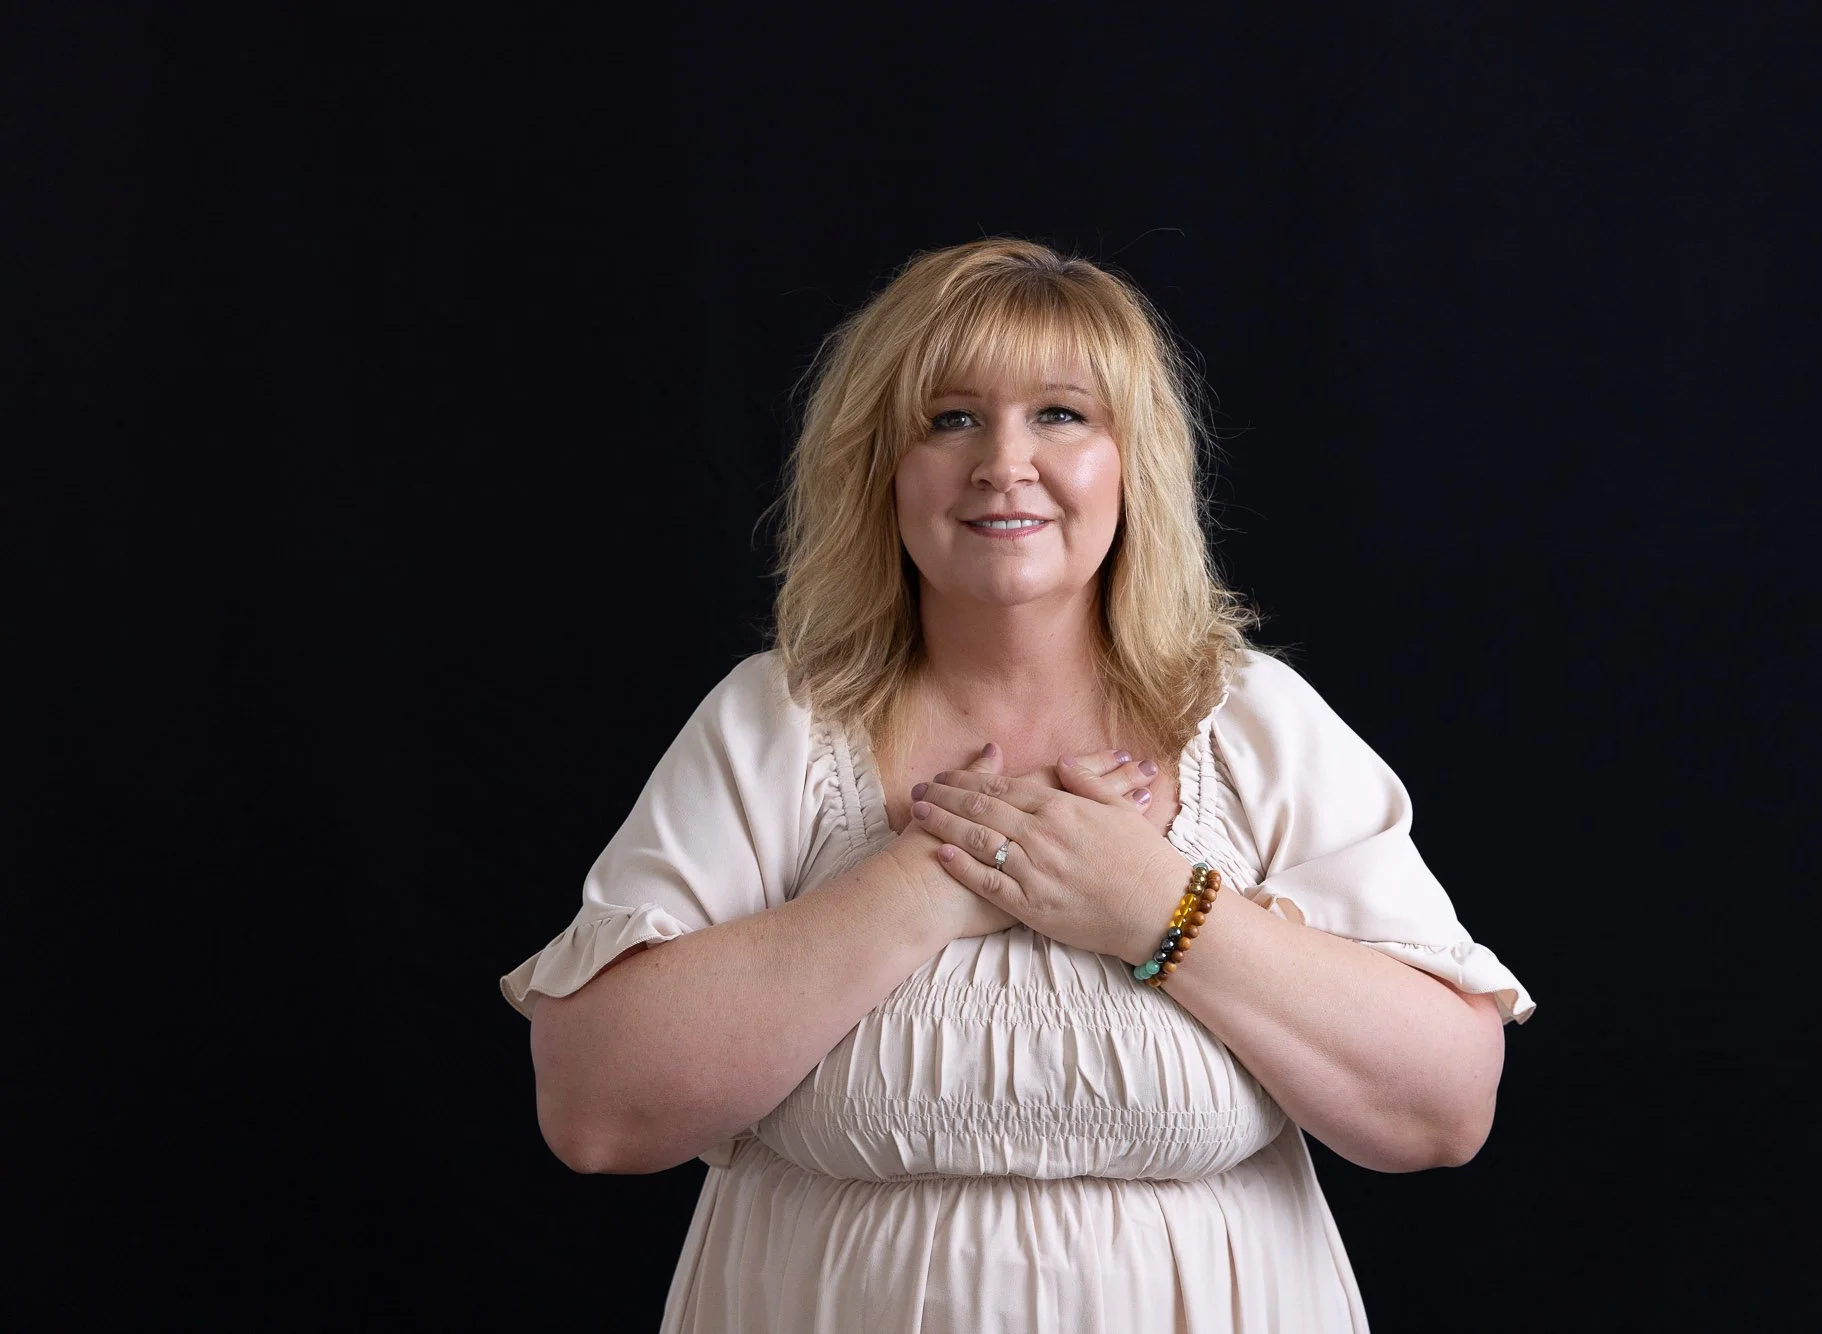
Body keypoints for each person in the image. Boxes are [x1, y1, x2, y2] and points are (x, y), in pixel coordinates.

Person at [499, 236, 1535, 1333]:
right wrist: (937, 880)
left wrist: (1157, 904)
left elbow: (1441, 1108)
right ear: (879, 467)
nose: (1003, 461)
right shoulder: (777, 723)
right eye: (949, 417)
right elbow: (595, 1109)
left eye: (1060, 414)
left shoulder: (1250, 723)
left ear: (1130, 459)